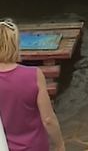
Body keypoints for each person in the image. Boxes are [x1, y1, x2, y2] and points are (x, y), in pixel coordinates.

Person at [0, 19, 65, 151]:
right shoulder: (33, 75)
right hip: (35, 146)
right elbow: (48, 119)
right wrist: (60, 145)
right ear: (16, 44)